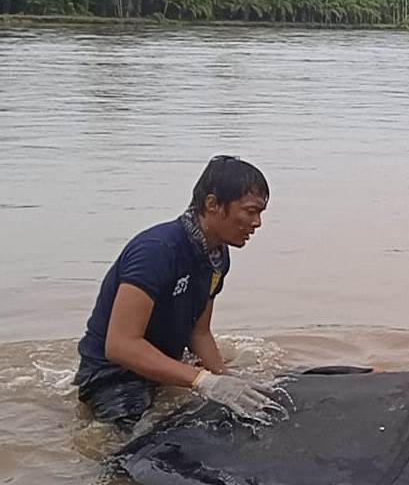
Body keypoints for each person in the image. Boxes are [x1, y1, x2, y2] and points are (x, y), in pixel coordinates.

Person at [73, 156, 279, 432]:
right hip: (113, 374)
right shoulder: (156, 251)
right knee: (131, 445)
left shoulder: (217, 256)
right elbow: (120, 345)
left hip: (164, 366)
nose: (257, 223)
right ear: (213, 204)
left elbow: (199, 333)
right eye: (250, 211)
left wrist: (226, 380)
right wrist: (202, 381)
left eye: (261, 213)